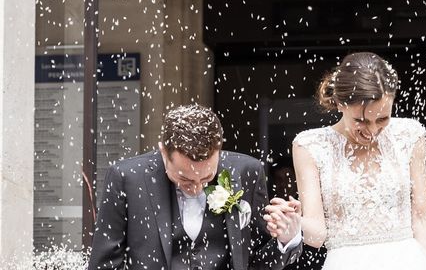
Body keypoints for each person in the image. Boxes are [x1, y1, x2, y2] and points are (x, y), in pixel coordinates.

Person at [283, 52, 426, 270]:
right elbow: (317, 235)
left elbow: (421, 219)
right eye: (361, 120)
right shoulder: (310, 146)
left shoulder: (409, 135)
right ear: (340, 103)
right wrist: (294, 223)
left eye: (382, 119)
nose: (372, 130)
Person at [88, 104, 303, 270]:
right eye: (186, 179)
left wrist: (286, 240)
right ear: (164, 152)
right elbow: (104, 264)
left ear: (219, 150)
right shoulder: (127, 178)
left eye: (206, 177)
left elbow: (257, 263)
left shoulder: (248, 171)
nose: (196, 188)